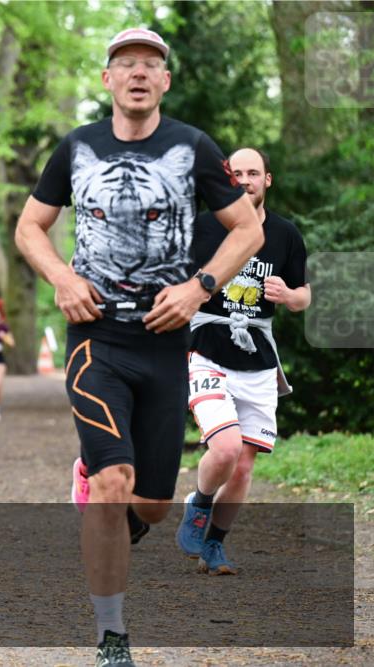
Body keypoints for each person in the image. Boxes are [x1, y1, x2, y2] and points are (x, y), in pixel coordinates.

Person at [13, 27, 262, 666]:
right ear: (108, 79)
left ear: (165, 80)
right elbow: (30, 227)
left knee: (150, 505)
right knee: (113, 480)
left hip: (165, 341)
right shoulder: (77, 148)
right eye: (125, 63)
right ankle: (112, 637)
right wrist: (64, 278)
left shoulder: (193, 147)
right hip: (96, 338)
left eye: (151, 64)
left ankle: (115, 514)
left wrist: (200, 287)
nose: (138, 73)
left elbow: (247, 230)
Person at [176, 147, 310, 575]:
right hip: (206, 345)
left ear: (267, 180)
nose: (246, 179)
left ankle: (214, 544)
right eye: (237, 173)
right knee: (227, 447)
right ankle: (198, 504)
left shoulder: (286, 235)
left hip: (258, 355)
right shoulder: (199, 228)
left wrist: (290, 297)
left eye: (254, 173)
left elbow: (303, 293)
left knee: (244, 465)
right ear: (227, 180)